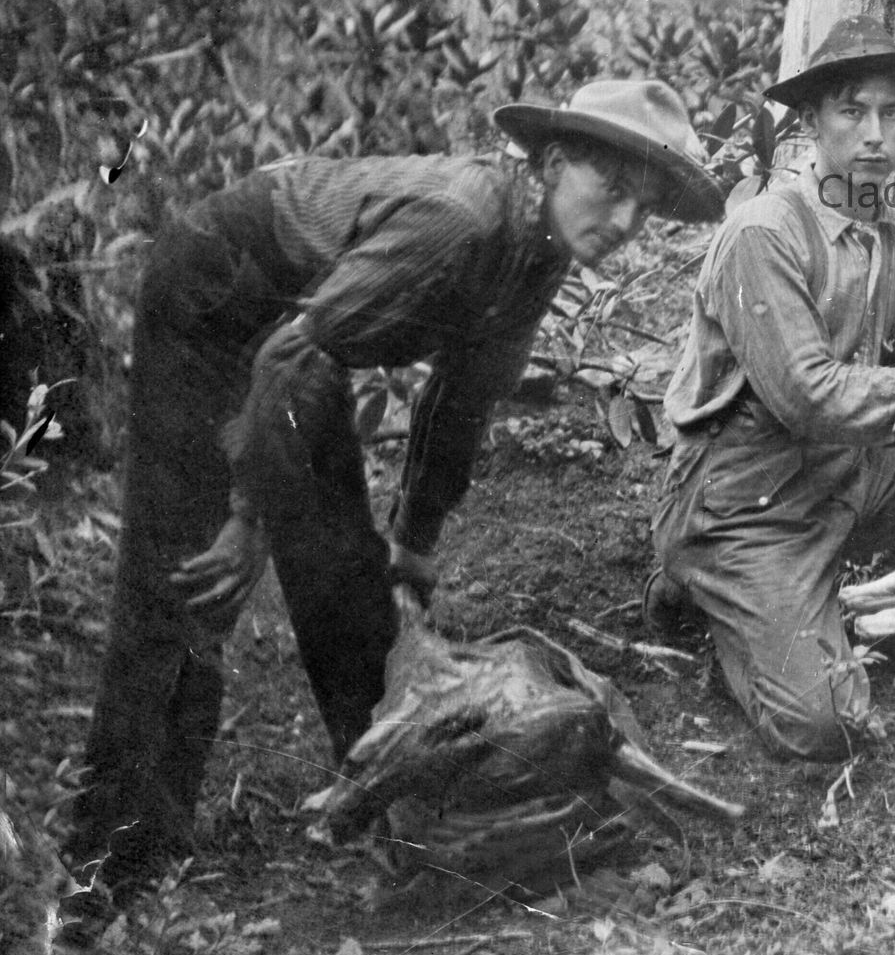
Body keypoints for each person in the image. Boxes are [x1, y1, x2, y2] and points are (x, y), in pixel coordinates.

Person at [67, 80, 723, 906]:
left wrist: (412, 542)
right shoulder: (460, 220)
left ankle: (398, 811)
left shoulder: (541, 249)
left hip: (303, 339)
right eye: (613, 188)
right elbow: (283, 358)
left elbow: (461, 397)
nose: (625, 221)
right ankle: (110, 864)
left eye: (645, 206)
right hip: (213, 299)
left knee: (352, 573)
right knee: (186, 578)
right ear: (555, 162)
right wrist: (248, 520)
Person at [648, 17, 895, 762]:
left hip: (844, 478)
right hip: (747, 509)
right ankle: (696, 589)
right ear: (811, 123)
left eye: (893, 113)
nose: (876, 135)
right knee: (826, 726)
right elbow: (808, 396)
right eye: (853, 111)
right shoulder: (765, 233)